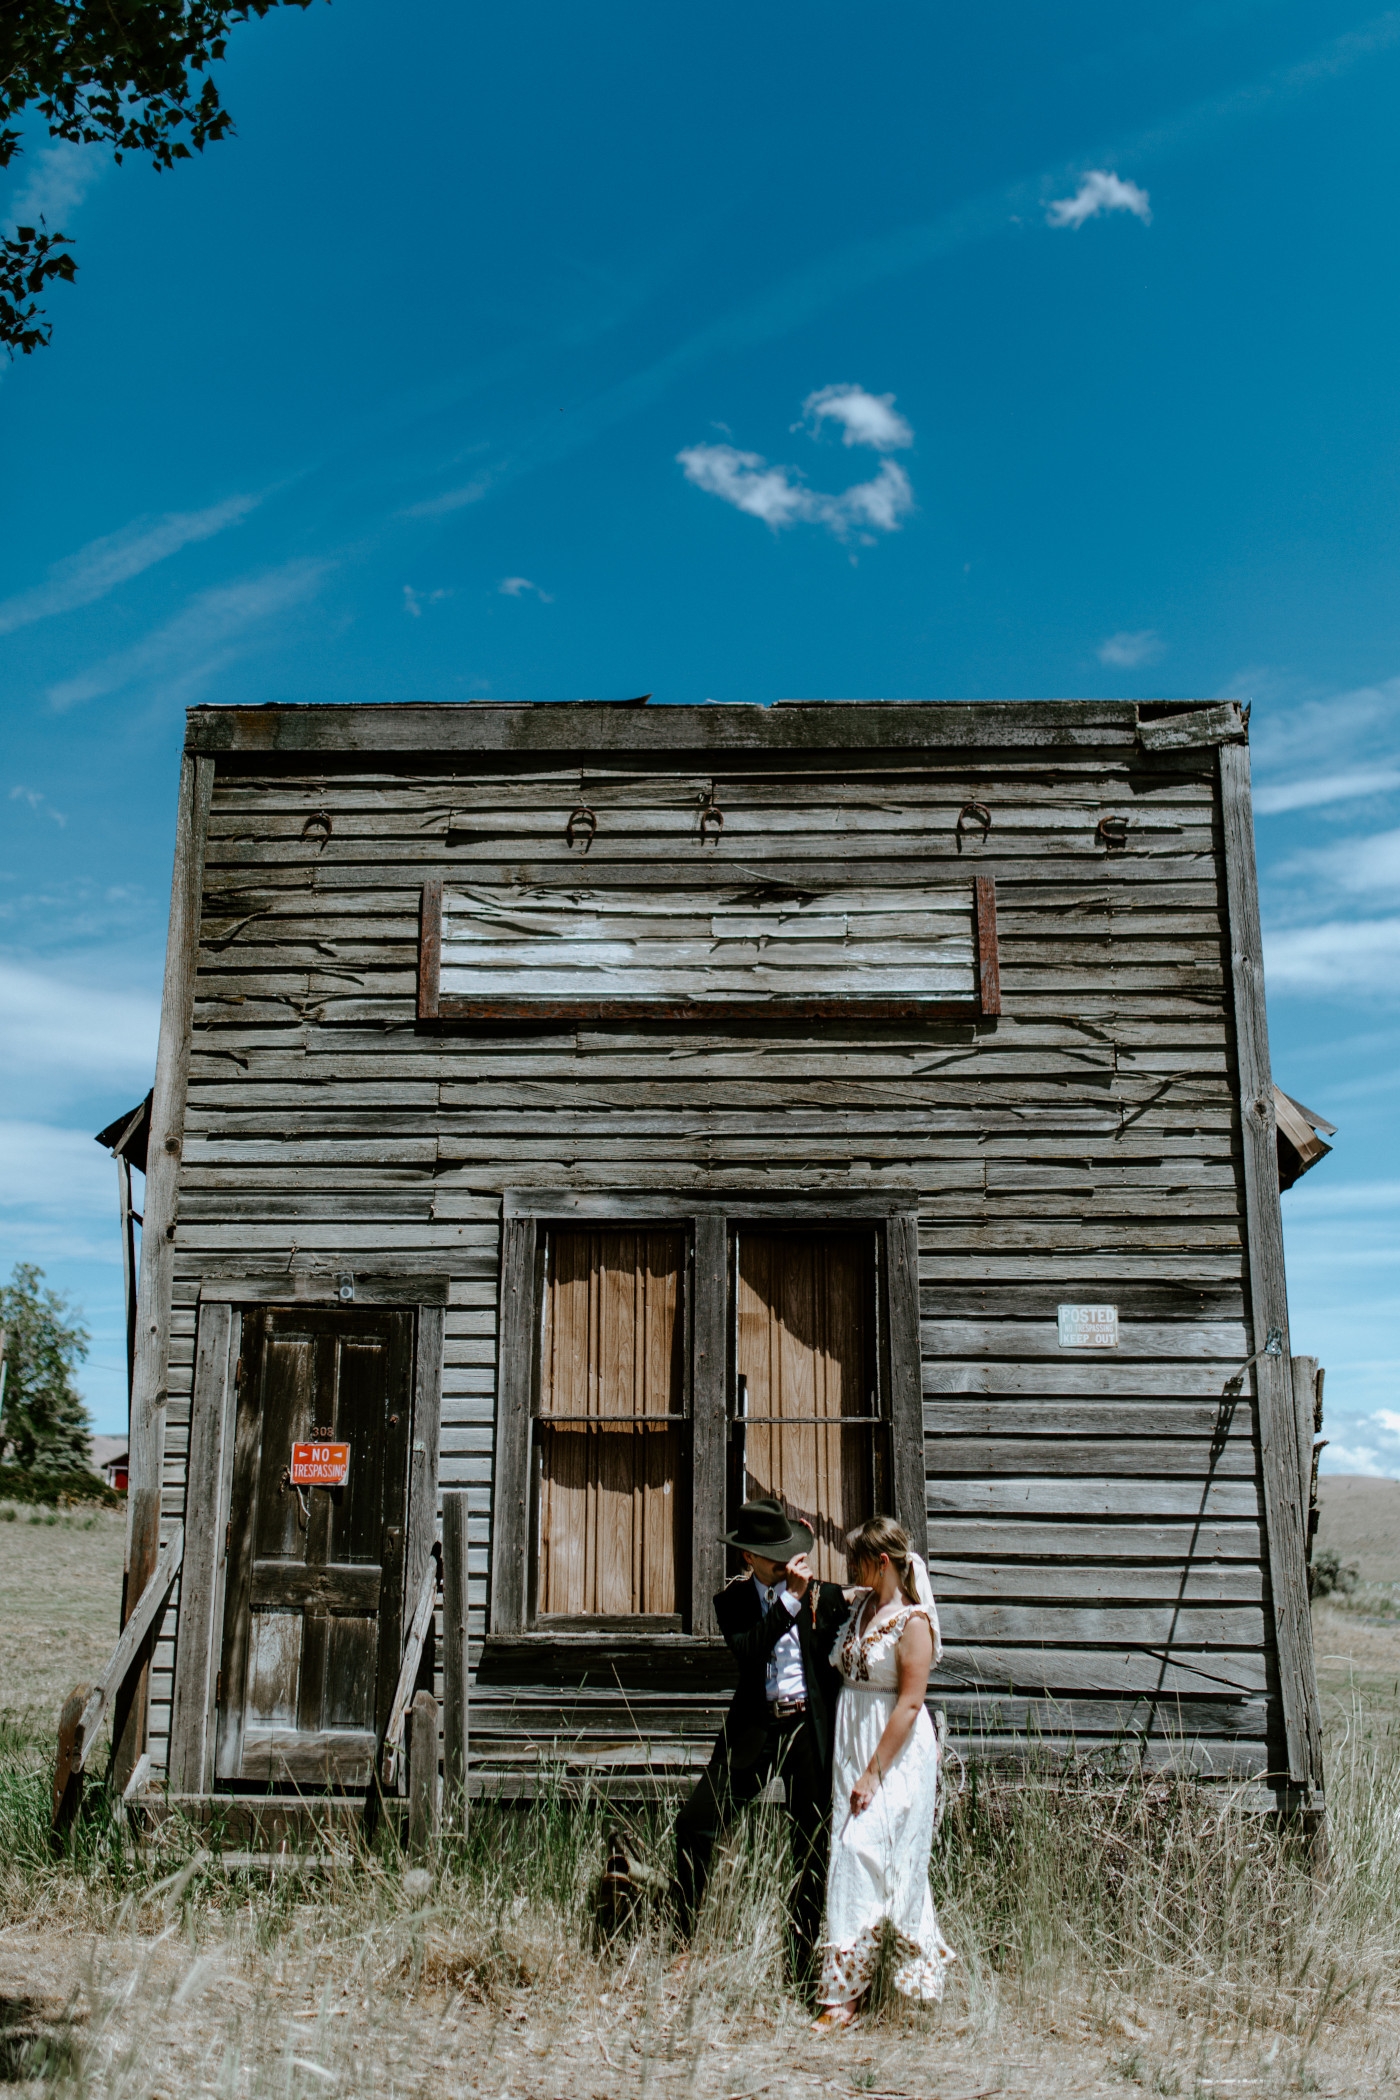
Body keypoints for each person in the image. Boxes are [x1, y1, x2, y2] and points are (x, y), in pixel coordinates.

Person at [671, 1494, 851, 1979]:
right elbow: (751, 1650)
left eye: (790, 1552)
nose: (789, 1565)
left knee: (810, 1843)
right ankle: (680, 1941)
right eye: (776, 1558)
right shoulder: (731, 1602)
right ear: (748, 1557)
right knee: (695, 1825)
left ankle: (799, 1963)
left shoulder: (824, 1597)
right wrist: (789, 1601)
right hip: (754, 1728)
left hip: (808, 1729)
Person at [813, 1514, 956, 2028]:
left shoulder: (913, 1624)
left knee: (866, 1853)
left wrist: (873, 1772)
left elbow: (911, 1705)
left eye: (855, 1562)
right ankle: (861, 1991)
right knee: (849, 1852)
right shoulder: (863, 1611)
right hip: (851, 1742)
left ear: (880, 1563)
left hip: (891, 1751)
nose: (848, 1570)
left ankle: (850, 1997)